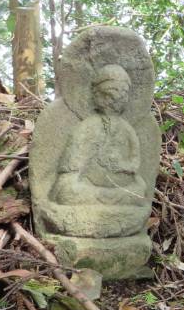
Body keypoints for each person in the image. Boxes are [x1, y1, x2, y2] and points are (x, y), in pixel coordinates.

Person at [50, 64, 146, 206]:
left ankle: (109, 200)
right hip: (89, 182)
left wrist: (121, 165)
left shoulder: (127, 129)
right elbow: (70, 170)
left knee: (139, 190)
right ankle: (105, 199)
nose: (117, 97)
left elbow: (135, 162)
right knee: (66, 192)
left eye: (123, 92)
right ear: (96, 95)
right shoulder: (87, 127)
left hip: (119, 185)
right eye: (111, 91)